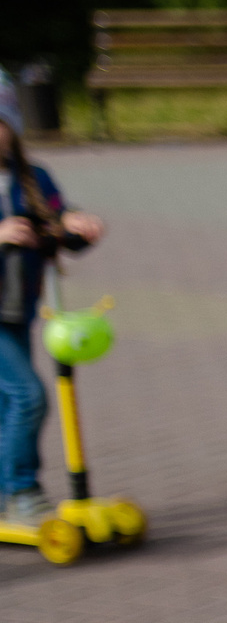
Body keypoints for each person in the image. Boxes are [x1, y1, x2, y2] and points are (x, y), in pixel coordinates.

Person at [0, 84, 105, 524]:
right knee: (28, 396)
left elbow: (56, 225)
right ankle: (20, 489)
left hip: (16, 308)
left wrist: (76, 226)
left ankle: (9, 489)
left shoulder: (33, 178)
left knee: (8, 403)